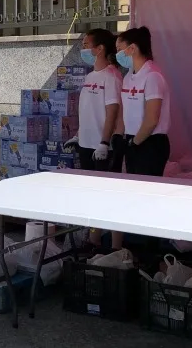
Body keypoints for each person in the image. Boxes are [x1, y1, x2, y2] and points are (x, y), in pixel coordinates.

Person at [67, 28, 125, 250]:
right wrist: (80, 134)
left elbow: (112, 111)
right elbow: (89, 110)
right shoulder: (91, 76)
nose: (83, 49)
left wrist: (104, 141)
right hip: (86, 144)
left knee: (110, 197)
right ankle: (94, 239)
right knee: (93, 196)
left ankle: (116, 247)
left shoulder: (111, 76)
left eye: (86, 44)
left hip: (103, 147)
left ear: (99, 48)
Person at [116, 27, 171, 177]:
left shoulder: (152, 76)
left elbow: (152, 119)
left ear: (132, 48)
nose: (117, 55)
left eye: (119, 50)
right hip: (133, 140)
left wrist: (135, 143)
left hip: (150, 143)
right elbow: (125, 110)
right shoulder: (128, 77)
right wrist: (119, 136)